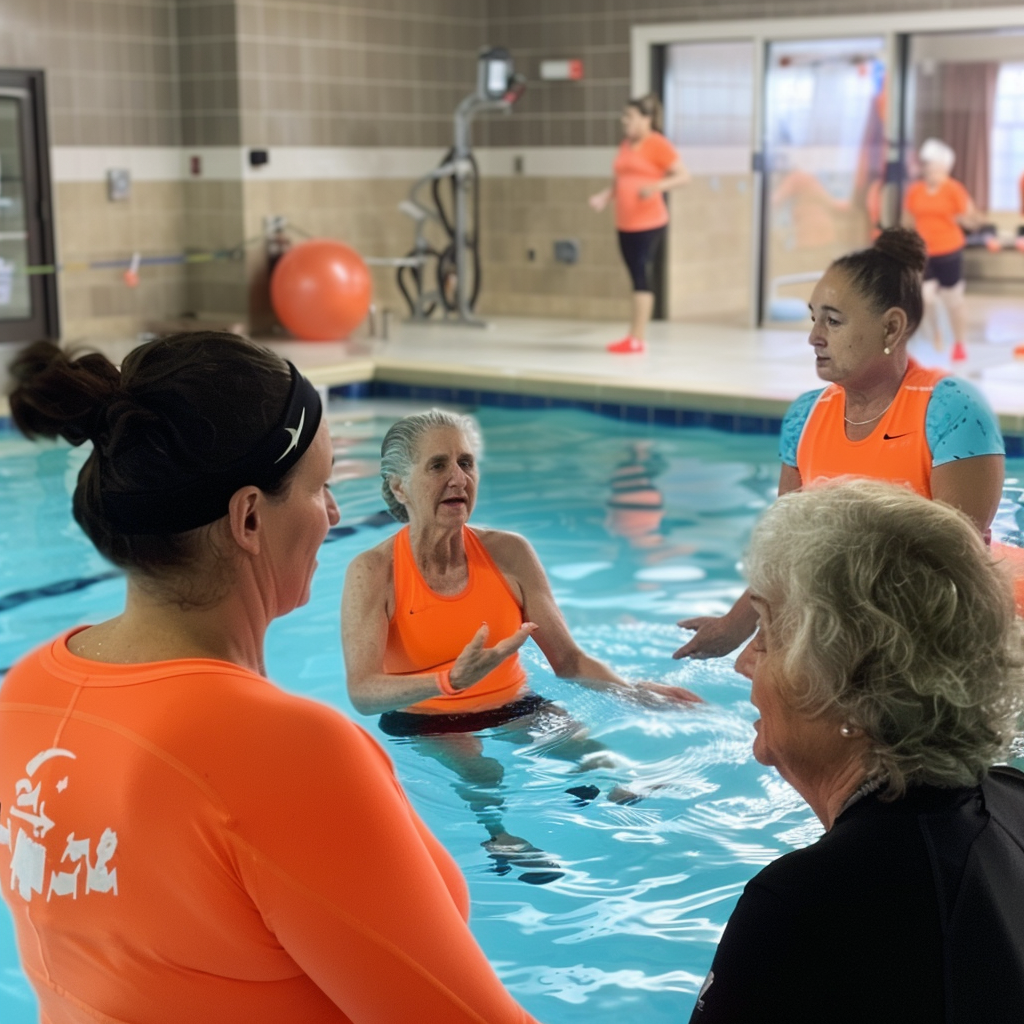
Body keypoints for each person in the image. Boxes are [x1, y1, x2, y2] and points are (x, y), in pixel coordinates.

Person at [0, 334, 544, 1024]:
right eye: (320, 488)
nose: (336, 515)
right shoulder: (287, 751)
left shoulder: (26, 693)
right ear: (249, 517)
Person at [689, 478, 1024, 1023]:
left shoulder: (805, 903)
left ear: (849, 688)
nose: (743, 663)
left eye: (768, 638)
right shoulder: (1012, 799)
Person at [341, 410, 701, 874]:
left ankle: (606, 803)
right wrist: (449, 680)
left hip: (515, 704)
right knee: (483, 773)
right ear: (398, 487)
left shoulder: (509, 552)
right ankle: (500, 837)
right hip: (427, 720)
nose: (458, 478)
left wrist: (633, 692)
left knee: (596, 755)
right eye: (438, 466)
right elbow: (363, 693)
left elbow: (568, 660)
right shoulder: (372, 572)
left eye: (466, 463)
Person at [676, 227, 1006, 660]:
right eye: (814, 318)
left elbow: (948, 565)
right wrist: (734, 629)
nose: (814, 336)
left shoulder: (951, 411)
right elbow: (785, 549)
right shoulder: (807, 416)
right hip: (841, 623)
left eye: (832, 320)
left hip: (927, 637)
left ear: (891, 328)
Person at [588, 94, 690, 354]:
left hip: (649, 221)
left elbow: (683, 176)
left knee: (640, 276)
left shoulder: (657, 144)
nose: (625, 121)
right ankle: (633, 335)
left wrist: (656, 186)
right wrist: (604, 196)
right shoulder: (625, 145)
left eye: (630, 117)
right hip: (625, 222)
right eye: (624, 117)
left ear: (646, 119)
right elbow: (619, 180)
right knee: (634, 275)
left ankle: (637, 337)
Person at [903, 137, 983, 362]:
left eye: (932, 164)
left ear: (943, 166)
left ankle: (959, 343)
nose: (928, 168)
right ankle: (935, 335)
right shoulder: (915, 190)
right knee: (924, 298)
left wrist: (965, 218)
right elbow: (907, 220)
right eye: (926, 164)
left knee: (953, 300)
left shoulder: (954, 189)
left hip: (949, 251)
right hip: (923, 253)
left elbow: (974, 220)